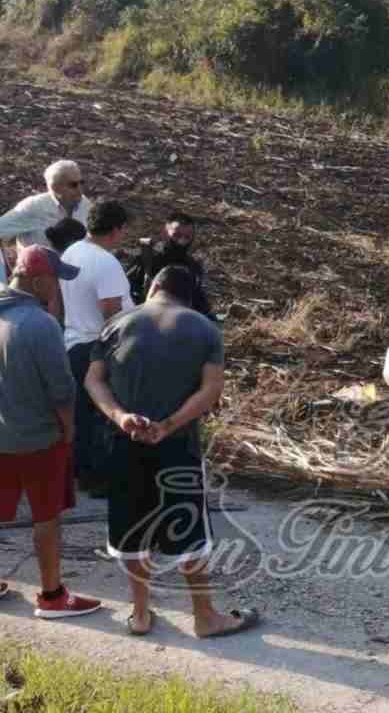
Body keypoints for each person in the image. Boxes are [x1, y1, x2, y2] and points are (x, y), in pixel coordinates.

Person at [85, 265, 258, 637]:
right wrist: (168, 425)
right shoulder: (204, 328)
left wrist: (121, 417)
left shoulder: (116, 323)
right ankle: (205, 616)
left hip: (123, 443)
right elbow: (211, 390)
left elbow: (93, 380)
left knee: (131, 529)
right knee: (189, 530)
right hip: (177, 446)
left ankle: (141, 615)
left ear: (154, 286)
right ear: (188, 296)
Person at [0, 246, 102, 618]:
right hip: (39, 439)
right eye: (56, 281)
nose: (57, 288)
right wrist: (70, 428)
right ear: (39, 280)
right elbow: (61, 389)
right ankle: (52, 596)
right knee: (46, 517)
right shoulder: (40, 324)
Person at [60, 200, 135, 497]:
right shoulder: (105, 262)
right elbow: (111, 311)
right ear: (116, 230)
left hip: (74, 339)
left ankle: (80, 472)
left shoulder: (72, 252)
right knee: (103, 414)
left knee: (82, 415)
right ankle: (98, 479)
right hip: (98, 344)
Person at [0, 161, 92, 285]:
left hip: (72, 283)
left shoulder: (85, 206)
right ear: (55, 186)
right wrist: (3, 277)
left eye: (82, 183)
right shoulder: (34, 207)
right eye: (73, 185)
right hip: (35, 287)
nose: (80, 189)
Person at [127, 212, 214, 320]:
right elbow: (125, 294)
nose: (182, 241)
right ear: (165, 233)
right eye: (176, 235)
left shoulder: (194, 267)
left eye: (187, 237)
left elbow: (199, 302)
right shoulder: (148, 260)